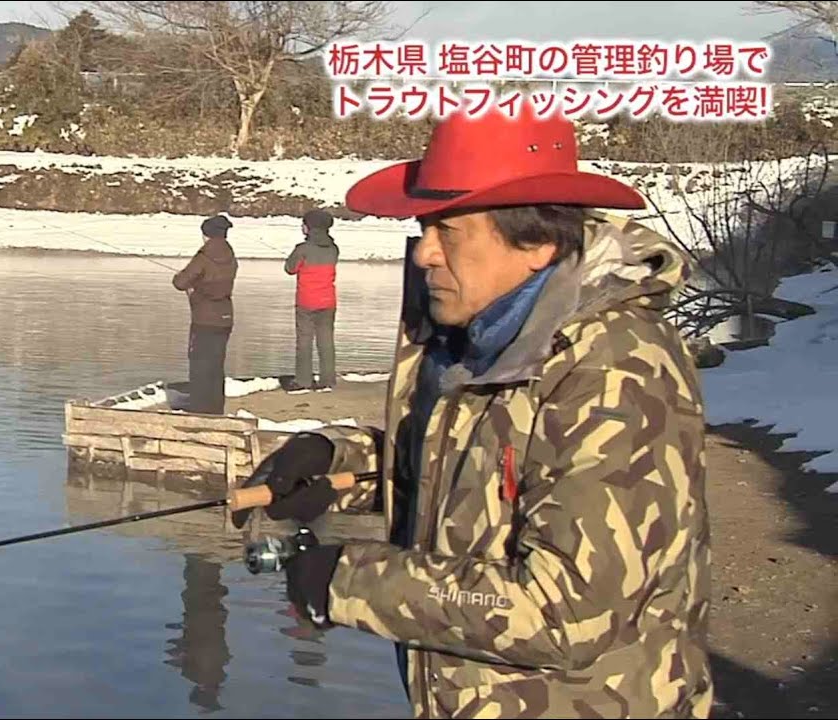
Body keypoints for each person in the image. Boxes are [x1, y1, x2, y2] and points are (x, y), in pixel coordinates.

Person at [241, 105, 713, 718]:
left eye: (449, 233)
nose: (424, 256)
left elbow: (568, 610)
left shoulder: (615, 370)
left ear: (538, 243)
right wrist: (340, 462)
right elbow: (478, 467)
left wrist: (347, 582)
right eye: (423, 230)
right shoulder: (480, 341)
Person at [173, 215, 238, 415]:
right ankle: (215, 406)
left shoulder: (203, 256)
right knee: (217, 363)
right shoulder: (230, 256)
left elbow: (180, 282)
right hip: (225, 317)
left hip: (204, 318)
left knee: (200, 363)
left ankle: (200, 408)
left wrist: (188, 283)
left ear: (206, 235)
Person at [283, 209, 339, 394]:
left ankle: (303, 381)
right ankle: (327, 380)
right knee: (326, 340)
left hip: (307, 301)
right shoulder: (333, 248)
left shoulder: (303, 249)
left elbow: (290, 268)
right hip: (328, 301)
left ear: (309, 227)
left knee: (304, 341)